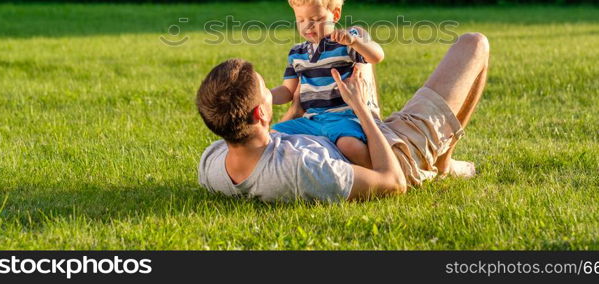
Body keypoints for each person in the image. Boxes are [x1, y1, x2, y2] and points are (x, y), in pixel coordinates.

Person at [196, 32, 489, 202]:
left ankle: (442, 161)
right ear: (260, 113)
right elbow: (392, 181)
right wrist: (360, 107)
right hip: (392, 151)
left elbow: (267, 137)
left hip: (335, 125)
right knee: (475, 45)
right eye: (265, 90)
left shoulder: (212, 161)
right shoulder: (302, 171)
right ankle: (442, 164)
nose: (270, 90)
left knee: (356, 36)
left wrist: (295, 111)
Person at [269, 0, 384, 168]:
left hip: (345, 118)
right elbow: (288, 91)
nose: (308, 26)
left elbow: (377, 56)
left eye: (316, 18)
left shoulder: (345, 42)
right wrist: (266, 97)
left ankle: (376, 173)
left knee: (350, 146)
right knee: (273, 136)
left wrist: (356, 42)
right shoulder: (297, 53)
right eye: (301, 19)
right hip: (312, 120)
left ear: (336, 14)